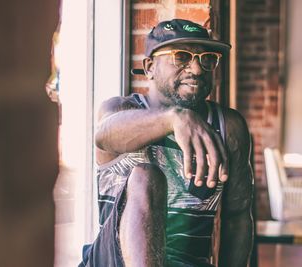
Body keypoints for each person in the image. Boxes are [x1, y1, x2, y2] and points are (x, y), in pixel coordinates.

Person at [79, 19, 253, 267]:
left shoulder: (228, 126)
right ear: (149, 66)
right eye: (181, 57)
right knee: (146, 177)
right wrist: (175, 118)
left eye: (207, 59)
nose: (196, 69)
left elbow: (237, 217)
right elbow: (104, 135)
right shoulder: (121, 110)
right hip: (114, 261)